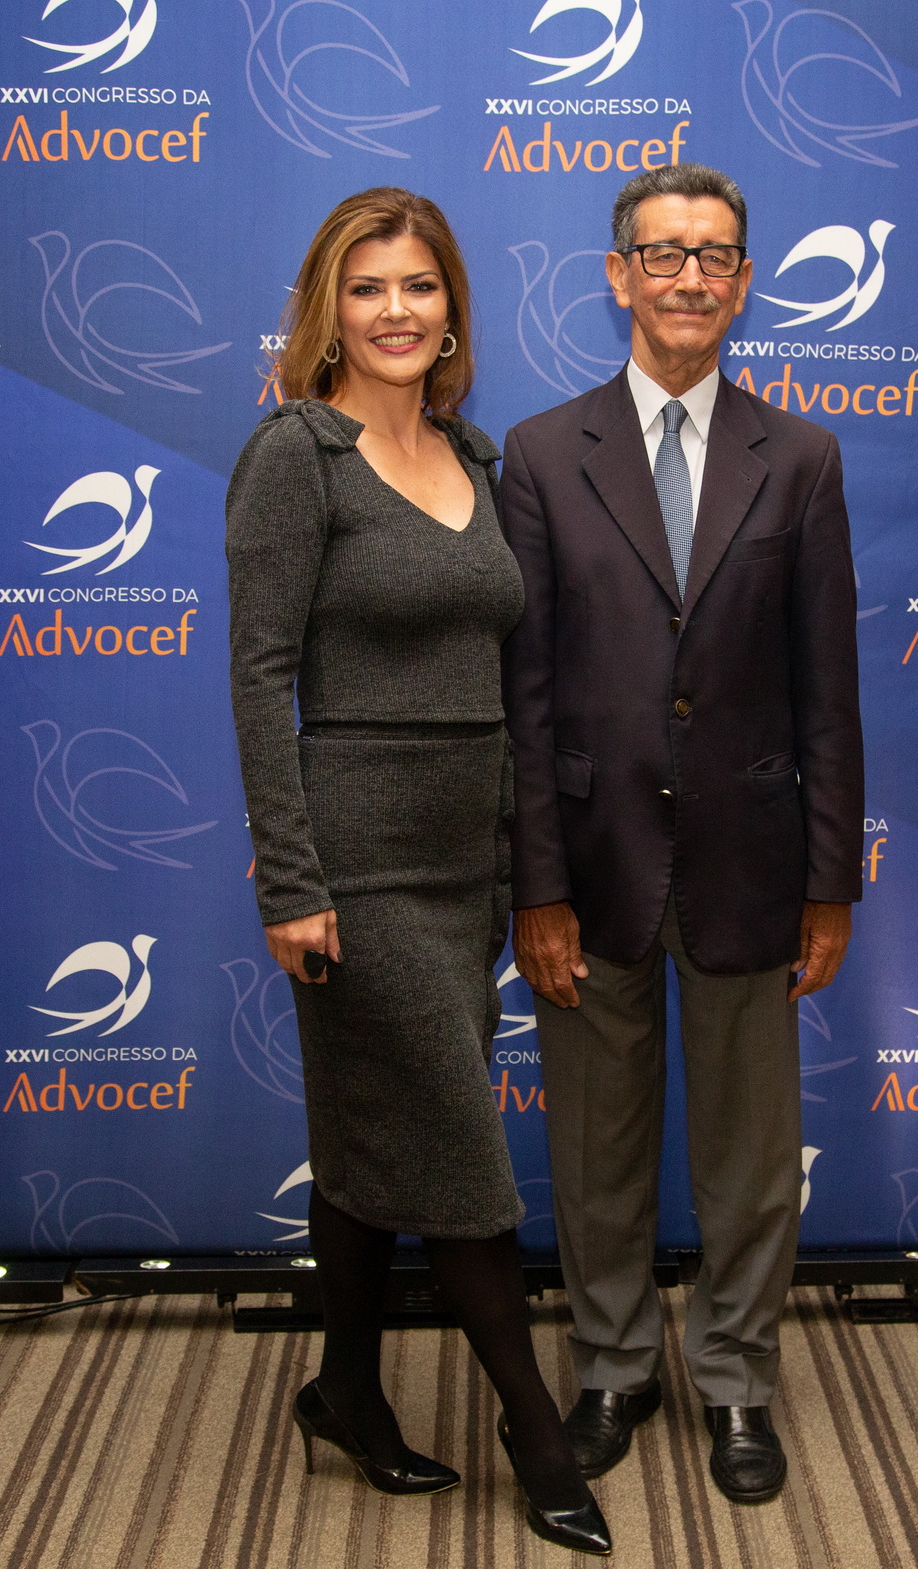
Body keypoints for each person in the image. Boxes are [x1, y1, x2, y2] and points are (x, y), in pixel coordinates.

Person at [225, 187, 609, 1557]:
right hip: (355, 860)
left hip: (467, 861)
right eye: (368, 286)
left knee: (370, 1128)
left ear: (452, 309)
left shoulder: (473, 452)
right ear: (328, 308)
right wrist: (291, 880)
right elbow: (259, 675)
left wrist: (520, 857)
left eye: (420, 286)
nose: (396, 310)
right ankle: (535, 1431)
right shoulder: (296, 455)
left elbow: (504, 666)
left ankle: (345, 1387)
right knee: (453, 1144)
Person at [498, 163, 864, 1505]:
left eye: (714, 256)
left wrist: (829, 881)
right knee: (596, 1149)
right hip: (589, 864)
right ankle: (609, 1365)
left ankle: (736, 1378)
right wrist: (536, 883)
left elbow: (828, 690)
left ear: (745, 282)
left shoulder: (802, 458)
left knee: (750, 1159)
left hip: (750, 864)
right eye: (663, 255)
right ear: (619, 276)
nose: (689, 279)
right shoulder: (542, 454)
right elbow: (524, 693)